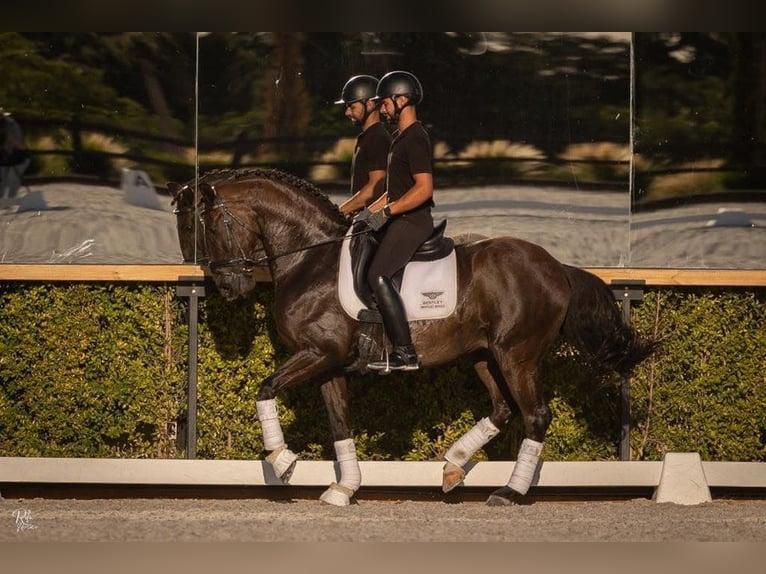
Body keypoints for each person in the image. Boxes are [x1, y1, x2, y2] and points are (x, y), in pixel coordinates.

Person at [358, 70, 434, 372]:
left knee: (378, 274)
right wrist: (368, 213)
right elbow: (393, 191)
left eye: (386, 103)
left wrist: (388, 213)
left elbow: (424, 189)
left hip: (414, 221)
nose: (383, 108)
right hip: (400, 217)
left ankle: (405, 352)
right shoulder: (399, 139)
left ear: (402, 99)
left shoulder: (416, 136)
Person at [334, 75, 391, 215]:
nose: (347, 112)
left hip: (373, 220)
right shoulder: (368, 137)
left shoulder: (377, 138)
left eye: (352, 106)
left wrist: (340, 212)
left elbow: (375, 187)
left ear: (370, 104)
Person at [0, 107, 31, 201]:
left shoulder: (11, 125)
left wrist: (10, 139)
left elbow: (21, 145)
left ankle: (10, 199)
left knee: (13, 178)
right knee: (2, 178)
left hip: (19, 156)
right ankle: (2, 200)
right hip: (4, 157)